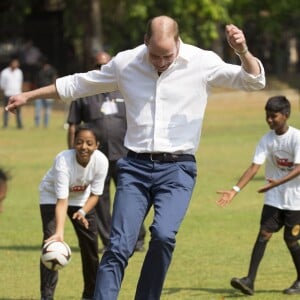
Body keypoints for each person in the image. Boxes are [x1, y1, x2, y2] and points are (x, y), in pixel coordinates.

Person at [6, 15, 265, 300]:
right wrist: (29, 96)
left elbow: (253, 81)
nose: (161, 62)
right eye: (155, 56)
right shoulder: (126, 63)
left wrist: (242, 51)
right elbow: (78, 85)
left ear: (178, 43)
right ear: (145, 43)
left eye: (167, 55)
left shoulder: (201, 61)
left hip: (178, 169)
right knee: (118, 245)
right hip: (134, 167)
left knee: (164, 236)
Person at [216, 95, 300, 296]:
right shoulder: (266, 140)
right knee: (264, 233)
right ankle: (249, 281)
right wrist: (234, 191)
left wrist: (277, 183)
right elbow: (254, 167)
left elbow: (298, 168)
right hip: (273, 199)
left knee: (291, 239)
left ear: (286, 115)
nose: (270, 120)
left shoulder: (296, 138)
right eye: (267, 116)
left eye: (274, 116)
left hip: (296, 200)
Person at [67, 51, 146, 252]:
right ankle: (110, 240)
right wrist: (73, 154)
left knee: (131, 197)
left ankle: (137, 238)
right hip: (96, 157)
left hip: (126, 154)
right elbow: (73, 126)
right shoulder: (83, 94)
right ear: (91, 68)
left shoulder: (125, 90)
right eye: (97, 66)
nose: (101, 70)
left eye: (105, 65)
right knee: (99, 199)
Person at [39, 124, 108, 300]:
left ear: (97, 145)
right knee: (51, 242)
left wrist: (83, 212)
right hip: (51, 196)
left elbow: (95, 195)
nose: (84, 147)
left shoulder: (101, 161)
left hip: (81, 200)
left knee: (91, 245)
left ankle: (90, 295)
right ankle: (47, 296)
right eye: (79, 142)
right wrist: (59, 234)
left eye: (89, 143)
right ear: (73, 143)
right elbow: (62, 202)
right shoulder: (63, 160)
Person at [1, 57, 23, 129]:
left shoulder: (19, 72)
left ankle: (19, 125)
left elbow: (20, 83)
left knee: (18, 111)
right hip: (8, 94)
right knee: (7, 110)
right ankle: (5, 125)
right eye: (14, 63)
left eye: (17, 63)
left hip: (17, 94)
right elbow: (2, 85)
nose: (16, 64)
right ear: (11, 63)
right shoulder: (4, 72)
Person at [34, 57, 57, 128]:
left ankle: (46, 125)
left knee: (47, 110)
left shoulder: (52, 70)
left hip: (49, 92)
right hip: (39, 92)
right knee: (38, 109)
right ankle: (37, 125)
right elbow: (36, 80)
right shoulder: (39, 70)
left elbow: (54, 80)